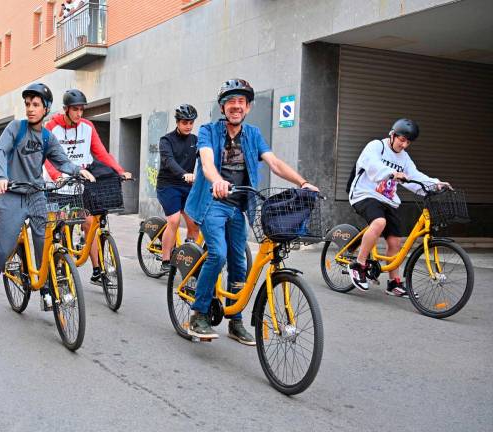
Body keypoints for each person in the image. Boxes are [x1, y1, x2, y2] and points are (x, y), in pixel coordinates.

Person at [183, 78, 319, 342]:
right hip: (213, 202)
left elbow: (275, 163)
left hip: (240, 205)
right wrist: (217, 181)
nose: (236, 106)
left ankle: (236, 321)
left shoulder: (253, 134)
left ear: (248, 107)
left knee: (239, 262)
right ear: (223, 107)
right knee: (218, 255)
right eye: (231, 102)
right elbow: (207, 162)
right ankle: (198, 314)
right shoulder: (207, 131)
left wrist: (302, 182)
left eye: (241, 102)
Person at [0, 82, 95, 317]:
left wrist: (77, 171)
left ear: (46, 108)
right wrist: (1, 176)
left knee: (44, 241)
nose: (30, 108)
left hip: (36, 195)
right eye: (28, 104)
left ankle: (45, 289)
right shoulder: (15, 128)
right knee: (3, 249)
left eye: (36, 104)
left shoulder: (48, 137)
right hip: (11, 195)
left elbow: (61, 160)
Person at [347, 118, 449, 295]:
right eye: (402, 139)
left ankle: (394, 283)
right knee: (379, 222)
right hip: (365, 194)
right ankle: (359, 265)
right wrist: (391, 173)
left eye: (408, 142)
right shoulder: (376, 146)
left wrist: (435, 184)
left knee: (395, 241)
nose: (404, 145)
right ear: (393, 135)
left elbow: (414, 176)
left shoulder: (404, 158)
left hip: (387, 200)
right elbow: (372, 165)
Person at [44, 89, 131, 285]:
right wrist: (57, 175)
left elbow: (101, 153)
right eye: (75, 109)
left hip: (81, 184)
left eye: (82, 109)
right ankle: (58, 268)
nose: (79, 113)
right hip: (57, 186)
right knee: (59, 227)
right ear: (66, 109)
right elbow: (47, 158)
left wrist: (119, 170)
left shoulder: (87, 127)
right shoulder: (51, 128)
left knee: (90, 223)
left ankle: (97, 271)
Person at [156, 104, 200, 273]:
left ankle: (189, 256)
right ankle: (166, 259)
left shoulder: (195, 140)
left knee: (194, 223)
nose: (188, 126)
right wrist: (184, 174)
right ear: (177, 122)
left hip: (187, 185)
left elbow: (205, 157)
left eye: (191, 122)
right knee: (174, 220)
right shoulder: (166, 140)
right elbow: (168, 161)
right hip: (168, 185)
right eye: (184, 122)